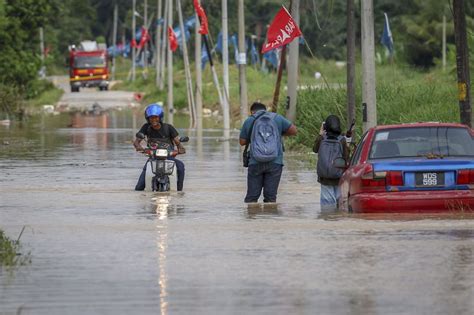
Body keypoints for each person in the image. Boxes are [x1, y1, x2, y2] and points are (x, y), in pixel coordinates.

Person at [239, 102, 297, 203]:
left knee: (252, 198)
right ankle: (269, 217)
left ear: (252, 111)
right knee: (270, 198)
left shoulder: (250, 120)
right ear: (265, 109)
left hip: (255, 162)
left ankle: (252, 217)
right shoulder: (277, 118)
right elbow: (294, 131)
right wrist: (278, 134)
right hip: (275, 162)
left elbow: (242, 142)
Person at [133, 103, 186, 191]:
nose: (153, 120)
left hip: (169, 158)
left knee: (180, 166)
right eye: (151, 118)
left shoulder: (168, 128)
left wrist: (181, 149)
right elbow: (136, 142)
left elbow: (177, 142)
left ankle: (179, 191)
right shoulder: (146, 127)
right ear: (148, 118)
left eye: (156, 117)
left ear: (160, 117)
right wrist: (139, 147)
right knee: (139, 187)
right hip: (153, 158)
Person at [313, 115, 350, 210]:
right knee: (340, 204)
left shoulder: (322, 139)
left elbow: (315, 149)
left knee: (327, 207)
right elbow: (346, 157)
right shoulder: (342, 140)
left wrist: (320, 134)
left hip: (325, 178)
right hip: (339, 177)